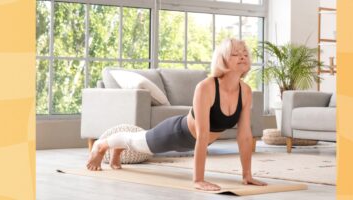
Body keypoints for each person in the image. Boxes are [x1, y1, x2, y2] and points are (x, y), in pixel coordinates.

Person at [87, 38, 268, 191]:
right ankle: (102, 145)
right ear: (223, 59)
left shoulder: (245, 91)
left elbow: (244, 136)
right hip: (176, 133)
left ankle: (117, 148)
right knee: (138, 142)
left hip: (193, 142)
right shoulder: (207, 87)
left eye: (244, 53)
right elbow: (203, 135)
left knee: (138, 143)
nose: (243, 56)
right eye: (235, 53)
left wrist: (247, 175)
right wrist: (198, 180)